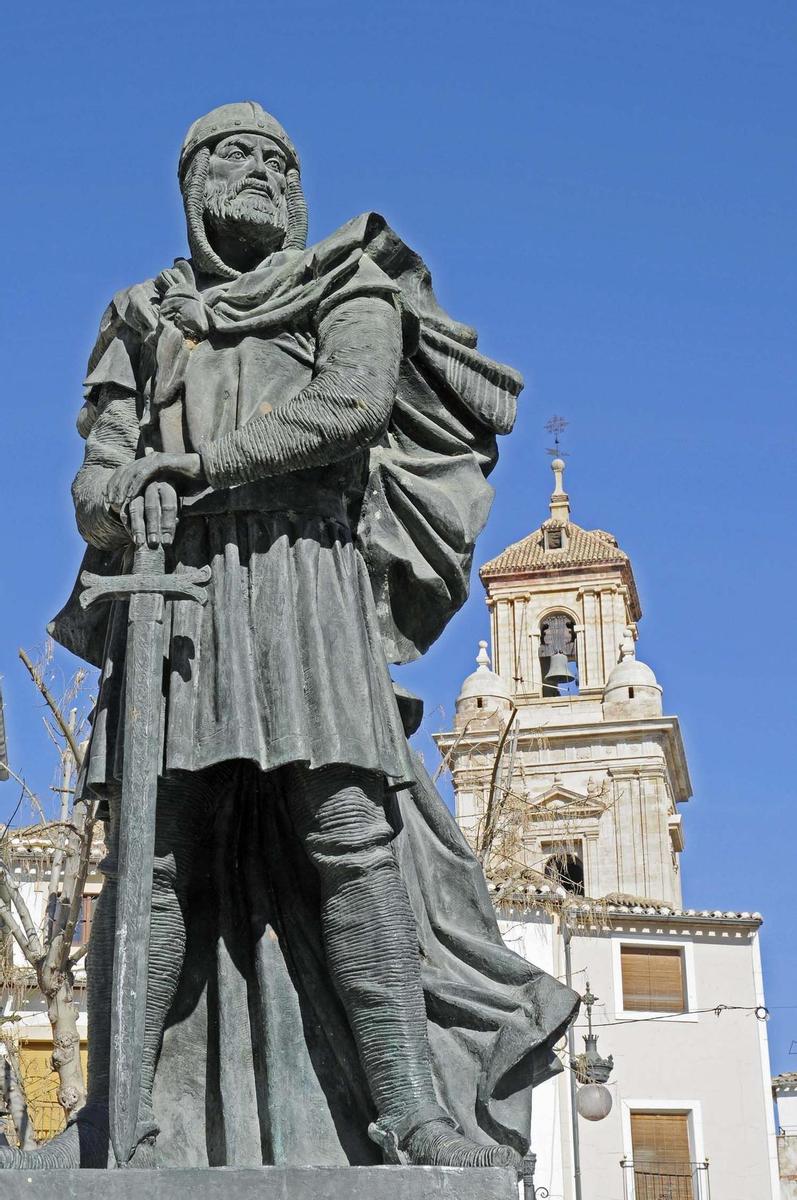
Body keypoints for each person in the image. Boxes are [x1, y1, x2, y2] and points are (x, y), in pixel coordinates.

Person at [2, 102, 578, 1171]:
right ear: (191, 183)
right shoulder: (142, 313)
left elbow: (353, 406)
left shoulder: (345, 282)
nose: (259, 172)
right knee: (156, 858)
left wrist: (196, 470)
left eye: (278, 159)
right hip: (172, 599)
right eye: (234, 156)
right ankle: (116, 1116)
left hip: (306, 583)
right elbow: (96, 467)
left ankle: (407, 1111)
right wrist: (114, 499)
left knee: (349, 840)